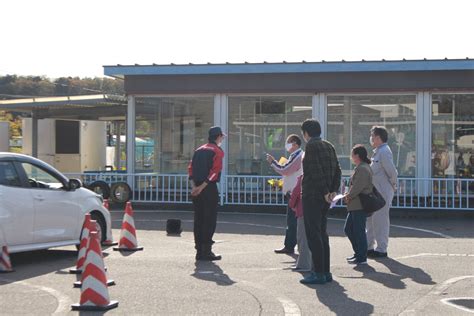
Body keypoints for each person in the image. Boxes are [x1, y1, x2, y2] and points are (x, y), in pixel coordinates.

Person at [299, 119, 341, 285]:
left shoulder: (311, 146)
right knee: (322, 233)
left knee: (313, 234)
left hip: (313, 195)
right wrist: (332, 191)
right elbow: (337, 170)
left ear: (306, 133)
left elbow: (314, 171)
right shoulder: (329, 145)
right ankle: (326, 271)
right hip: (326, 196)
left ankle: (317, 272)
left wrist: (324, 191)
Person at [188, 126, 225, 261]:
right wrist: (203, 187)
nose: (222, 139)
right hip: (208, 187)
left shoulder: (199, 150)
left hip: (196, 187)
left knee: (199, 219)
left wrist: (194, 187)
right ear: (218, 137)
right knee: (209, 220)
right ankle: (207, 250)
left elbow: (190, 169)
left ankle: (199, 250)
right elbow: (215, 171)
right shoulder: (217, 151)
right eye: (222, 137)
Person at [266, 134, 304, 254]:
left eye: (288, 142)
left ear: (295, 144)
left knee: (293, 221)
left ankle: (290, 246)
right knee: (293, 221)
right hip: (294, 191)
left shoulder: (298, 156)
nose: (286, 145)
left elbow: (285, 170)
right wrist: (281, 183)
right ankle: (291, 245)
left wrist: (273, 162)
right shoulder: (296, 155)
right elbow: (289, 173)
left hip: (295, 193)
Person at [367, 126, 398, 258]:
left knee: (380, 221)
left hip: (382, 192)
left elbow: (392, 172)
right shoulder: (378, 151)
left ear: (379, 138)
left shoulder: (384, 151)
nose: (371, 139)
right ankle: (369, 247)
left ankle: (381, 249)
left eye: (373, 136)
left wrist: (393, 185)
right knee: (371, 220)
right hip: (375, 192)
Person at [344, 145, 373, 265]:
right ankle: (358, 253)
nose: (351, 157)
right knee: (349, 229)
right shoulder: (361, 167)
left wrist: (348, 196)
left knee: (358, 231)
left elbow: (358, 187)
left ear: (357, 155)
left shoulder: (362, 168)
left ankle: (361, 256)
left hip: (359, 204)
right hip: (355, 204)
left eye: (352, 154)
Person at [288, 174, 312, 271]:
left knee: (303, 239)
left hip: (303, 211)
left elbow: (296, 193)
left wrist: (291, 204)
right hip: (316, 212)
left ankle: (304, 264)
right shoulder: (321, 176)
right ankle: (313, 263)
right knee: (313, 239)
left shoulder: (303, 178)